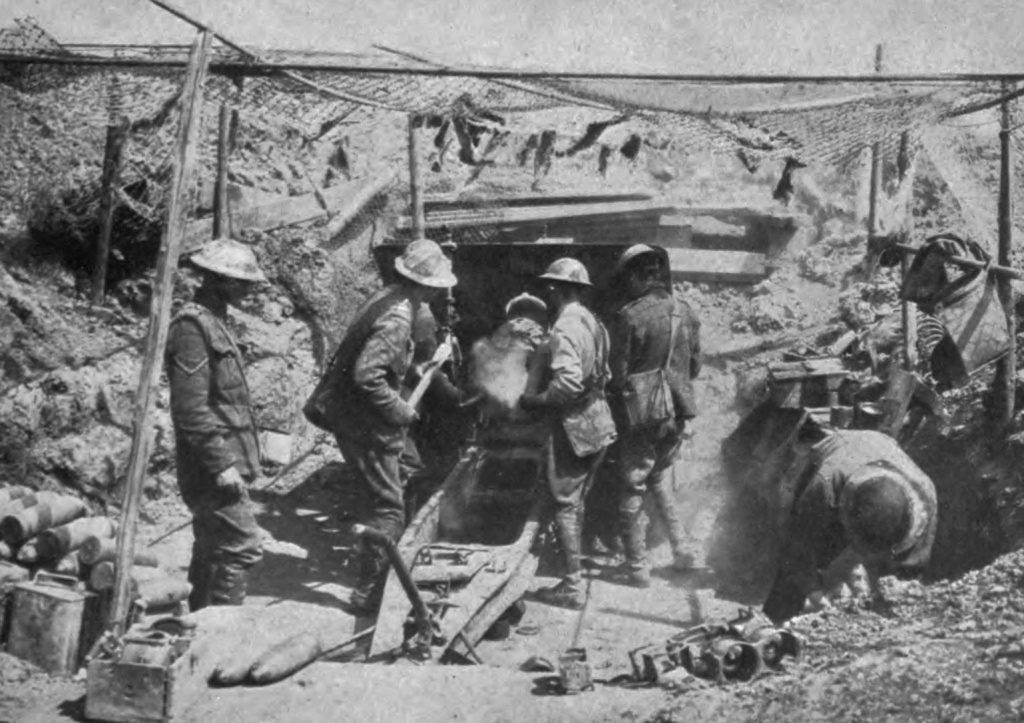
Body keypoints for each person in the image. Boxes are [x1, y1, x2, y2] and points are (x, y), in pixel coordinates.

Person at [322, 238, 457, 614]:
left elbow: (382, 362)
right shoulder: (399, 318)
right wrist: (400, 410)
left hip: (353, 415)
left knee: (379, 496)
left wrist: (417, 369)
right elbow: (368, 375)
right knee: (388, 509)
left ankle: (370, 573)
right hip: (367, 422)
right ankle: (370, 593)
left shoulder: (387, 298)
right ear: (427, 285)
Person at [166, 237, 267, 611]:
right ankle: (219, 637)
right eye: (239, 281)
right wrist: (221, 463)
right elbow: (190, 409)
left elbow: (228, 402)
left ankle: (194, 634)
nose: (247, 289)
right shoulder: (192, 328)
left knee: (211, 549)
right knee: (242, 546)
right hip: (209, 466)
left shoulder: (215, 322)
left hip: (221, 460)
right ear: (214, 279)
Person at [762, 426, 938, 624]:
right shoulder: (826, 485)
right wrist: (817, 596)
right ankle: (774, 622)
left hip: (880, 449)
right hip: (838, 450)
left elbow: (910, 576)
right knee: (804, 559)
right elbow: (797, 552)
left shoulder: (926, 498)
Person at [520, 258, 617, 609]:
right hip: (599, 420)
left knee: (563, 503)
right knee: (576, 500)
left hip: (573, 426)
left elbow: (568, 384)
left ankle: (572, 586)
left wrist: (534, 400)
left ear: (556, 290)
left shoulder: (563, 328)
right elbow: (602, 373)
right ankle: (569, 564)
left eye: (551, 287)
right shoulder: (594, 322)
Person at [606, 244, 702, 587]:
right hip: (676, 413)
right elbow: (696, 366)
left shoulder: (629, 316)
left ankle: (636, 567)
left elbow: (617, 378)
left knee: (633, 484)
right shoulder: (686, 312)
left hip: (643, 413)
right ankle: (683, 549)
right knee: (660, 478)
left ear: (635, 276)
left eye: (627, 279)